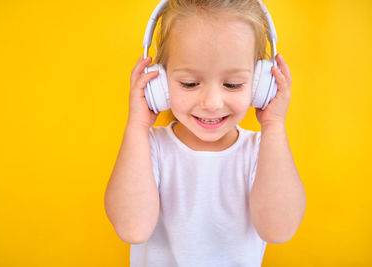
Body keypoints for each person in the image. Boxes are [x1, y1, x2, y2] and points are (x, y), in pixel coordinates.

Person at [104, 0, 306, 266]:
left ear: (260, 84)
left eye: (232, 84)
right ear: (160, 81)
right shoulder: (149, 148)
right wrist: (137, 125)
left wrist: (274, 125)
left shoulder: (262, 153)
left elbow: (278, 230)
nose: (211, 102)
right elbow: (133, 229)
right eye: (190, 83)